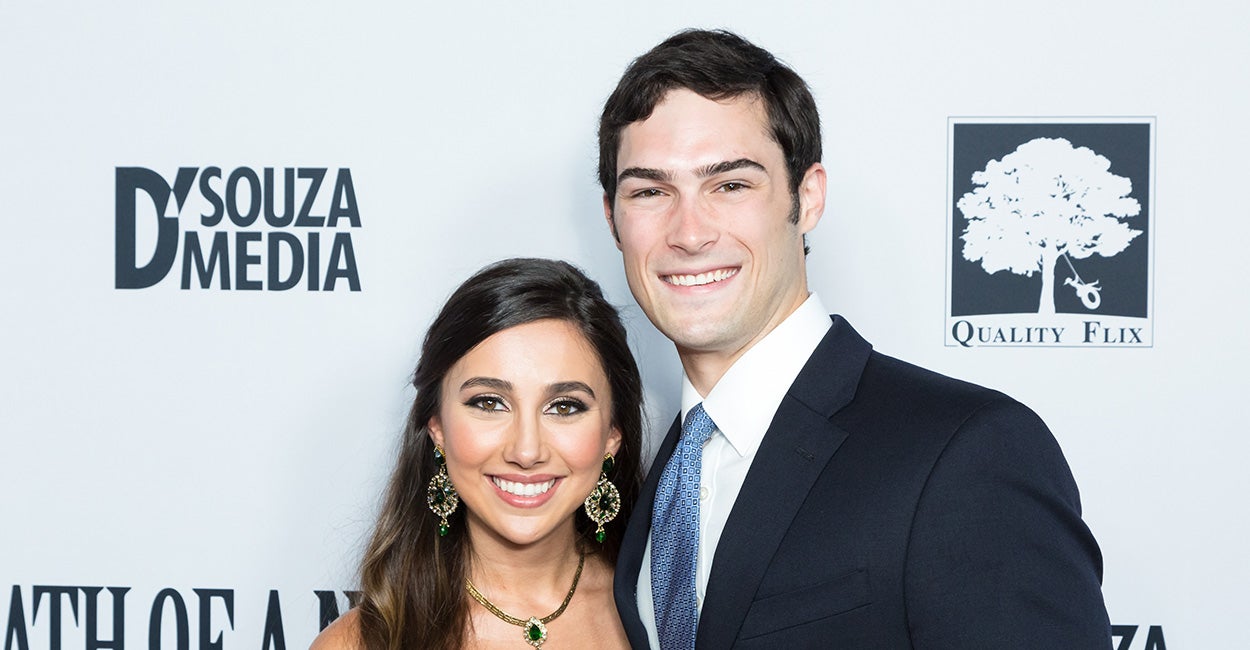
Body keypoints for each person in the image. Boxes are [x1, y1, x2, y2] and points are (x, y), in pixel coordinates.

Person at [599, 29, 1112, 648]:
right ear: (613, 219)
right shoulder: (654, 476)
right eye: (650, 192)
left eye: (730, 185)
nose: (688, 232)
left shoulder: (969, 452)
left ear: (808, 197)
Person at [311, 258, 642, 650]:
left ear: (612, 434)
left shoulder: (663, 613)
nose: (526, 451)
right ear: (437, 425)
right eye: (489, 403)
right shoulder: (357, 643)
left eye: (565, 407)